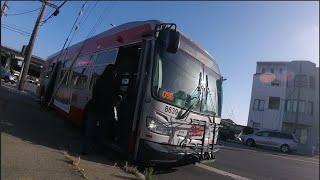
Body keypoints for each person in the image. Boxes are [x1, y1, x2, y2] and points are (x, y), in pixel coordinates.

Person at [82, 64, 120, 155]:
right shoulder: (114, 84)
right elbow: (114, 98)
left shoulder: (99, 80)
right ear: (113, 72)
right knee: (101, 131)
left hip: (93, 108)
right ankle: (98, 150)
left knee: (89, 130)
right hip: (105, 111)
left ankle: (86, 149)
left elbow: (94, 93)